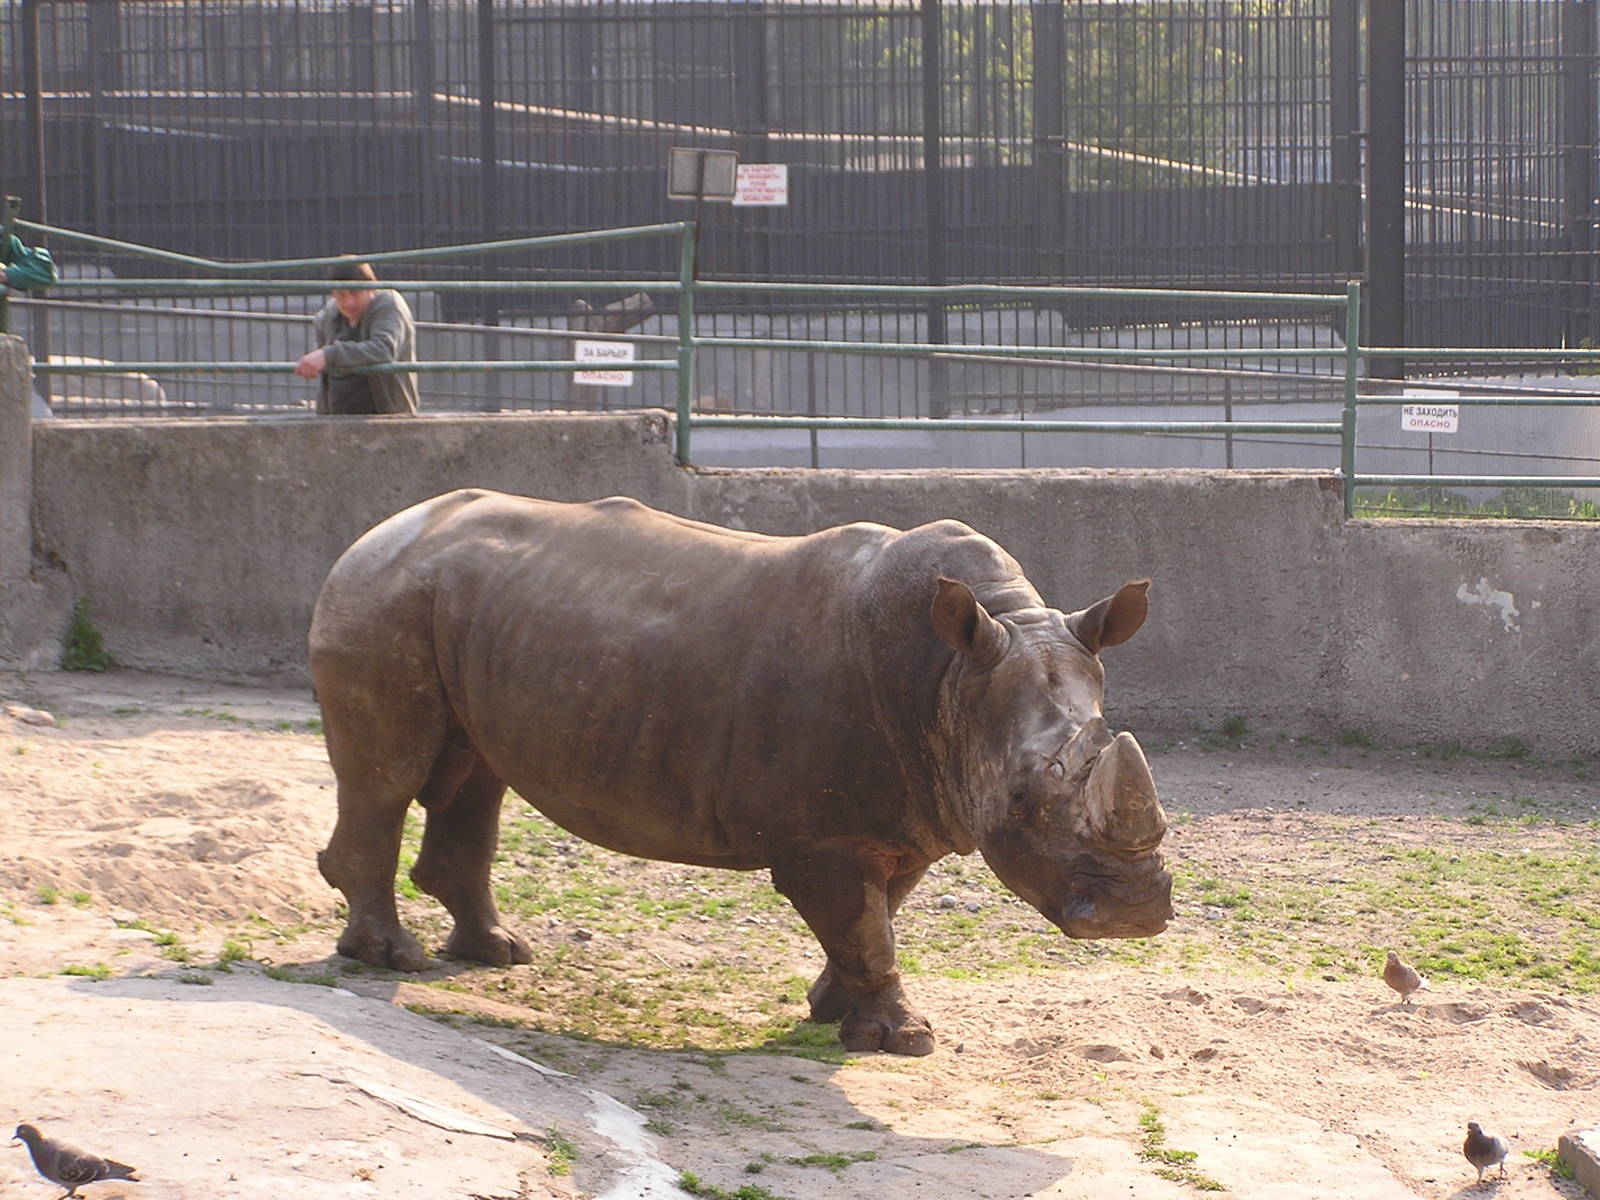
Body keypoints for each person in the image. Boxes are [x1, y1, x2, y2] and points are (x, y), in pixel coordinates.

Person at [295, 258, 418, 414]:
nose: (349, 302)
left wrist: (329, 354)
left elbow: (384, 349)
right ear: (333, 294)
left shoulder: (388, 303)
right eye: (341, 295)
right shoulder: (326, 317)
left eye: (355, 293)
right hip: (336, 421)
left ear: (371, 289)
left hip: (386, 418)